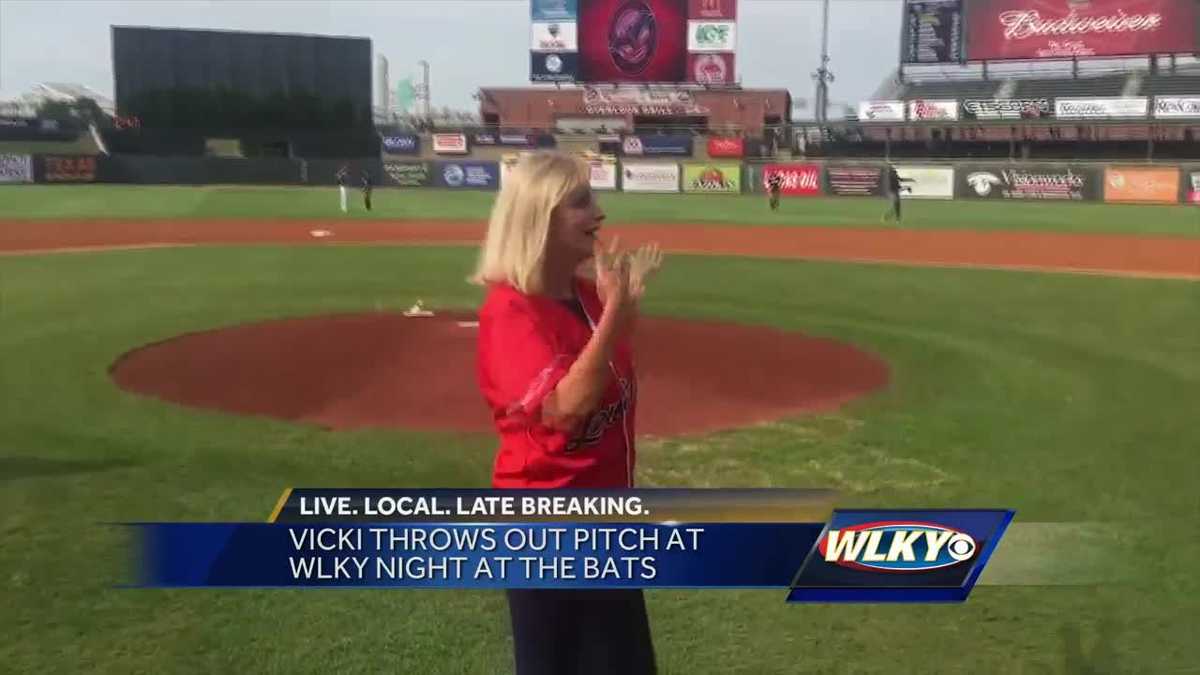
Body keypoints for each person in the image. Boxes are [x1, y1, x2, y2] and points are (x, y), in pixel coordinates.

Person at [472, 152, 663, 675]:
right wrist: (613, 325)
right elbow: (563, 413)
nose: (599, 213)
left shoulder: (586, 296)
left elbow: (607, 386)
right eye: (581, 202)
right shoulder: (512, 311)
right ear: (540, 216)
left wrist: (617, 313)